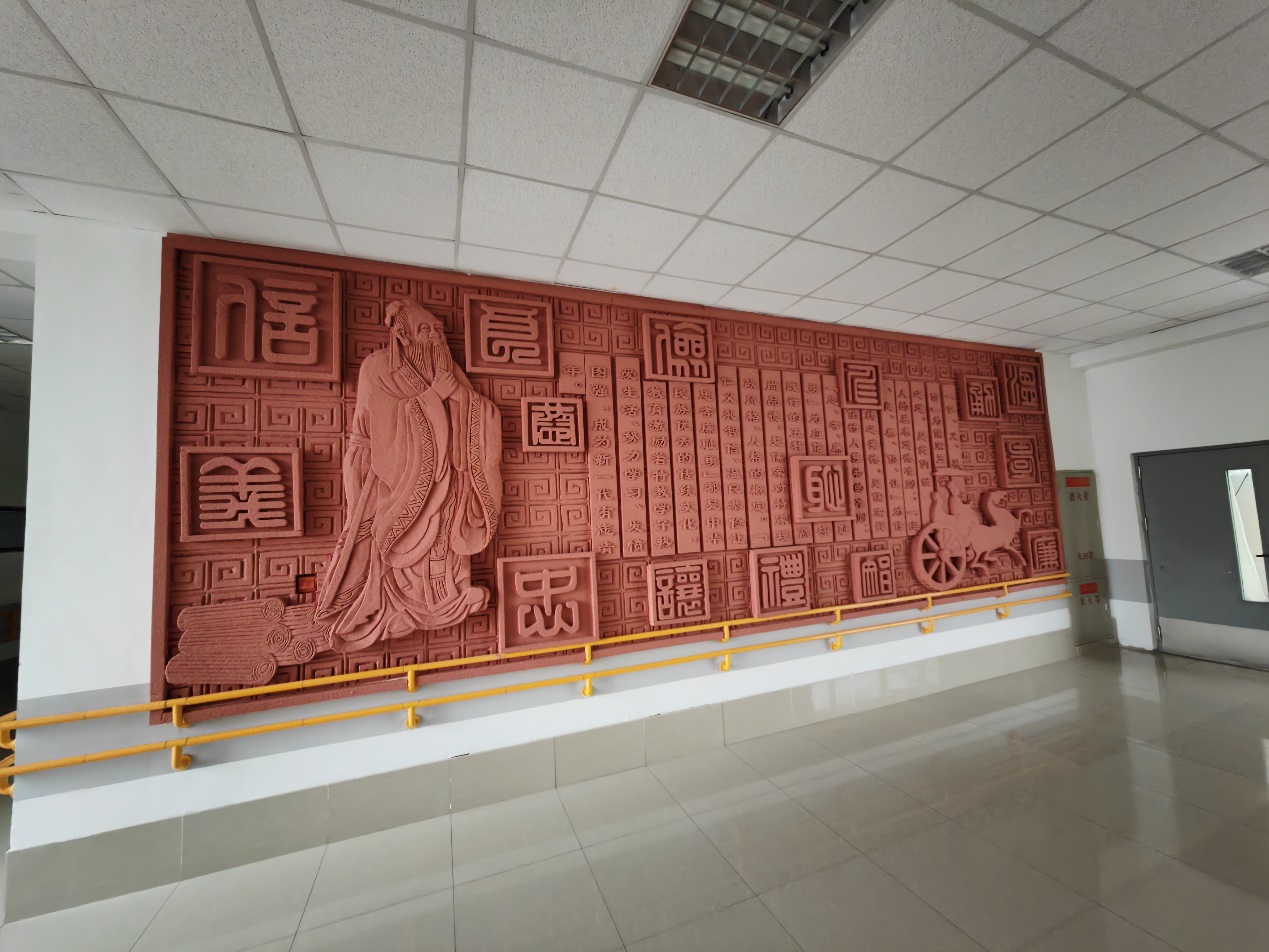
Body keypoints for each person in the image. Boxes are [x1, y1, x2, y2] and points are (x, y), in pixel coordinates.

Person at [316, 300, 502, 650]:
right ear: (402, 334)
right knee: (400, 537)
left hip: (446, 475)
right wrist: (434, 397)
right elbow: (384, 428)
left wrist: (458, 397)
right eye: (425, 330)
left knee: (446, 529)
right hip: (391, 474)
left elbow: (480, 409)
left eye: (438, 330)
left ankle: (446, 595)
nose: (436, 337)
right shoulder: (378, 367)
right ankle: (392, 607)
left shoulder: (446, 368)